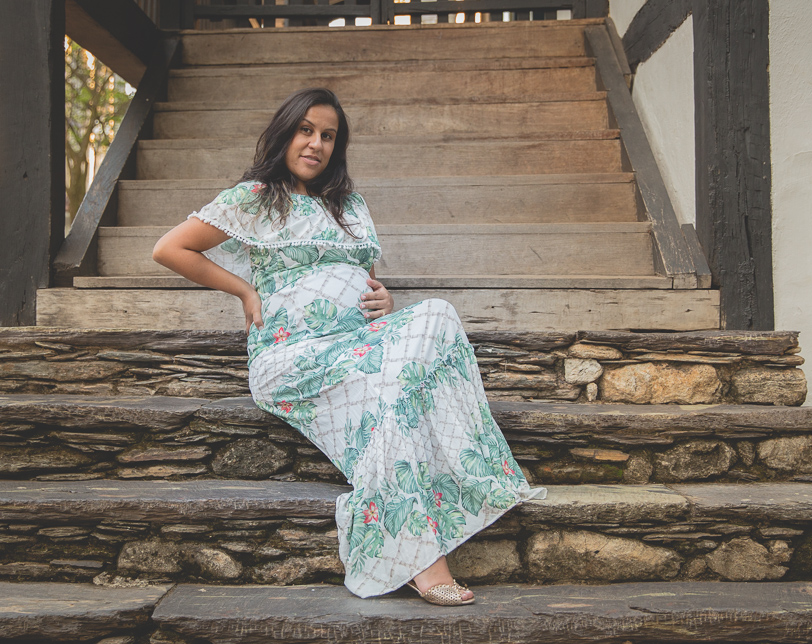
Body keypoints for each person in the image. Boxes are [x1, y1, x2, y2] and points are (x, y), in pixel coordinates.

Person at [152, 87, 546, 605]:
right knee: (394, 390)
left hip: (357, 347)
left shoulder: (351, 206)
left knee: (437, 317)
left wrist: (380, 297)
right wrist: (245, 289)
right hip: (292, 358)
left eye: (328, 136)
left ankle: (426, 536)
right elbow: (169, 248)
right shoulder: (257, 197)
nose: (316, 143)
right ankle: (425, 561)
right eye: (306, 130)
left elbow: (365, 277)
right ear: (285, 133)